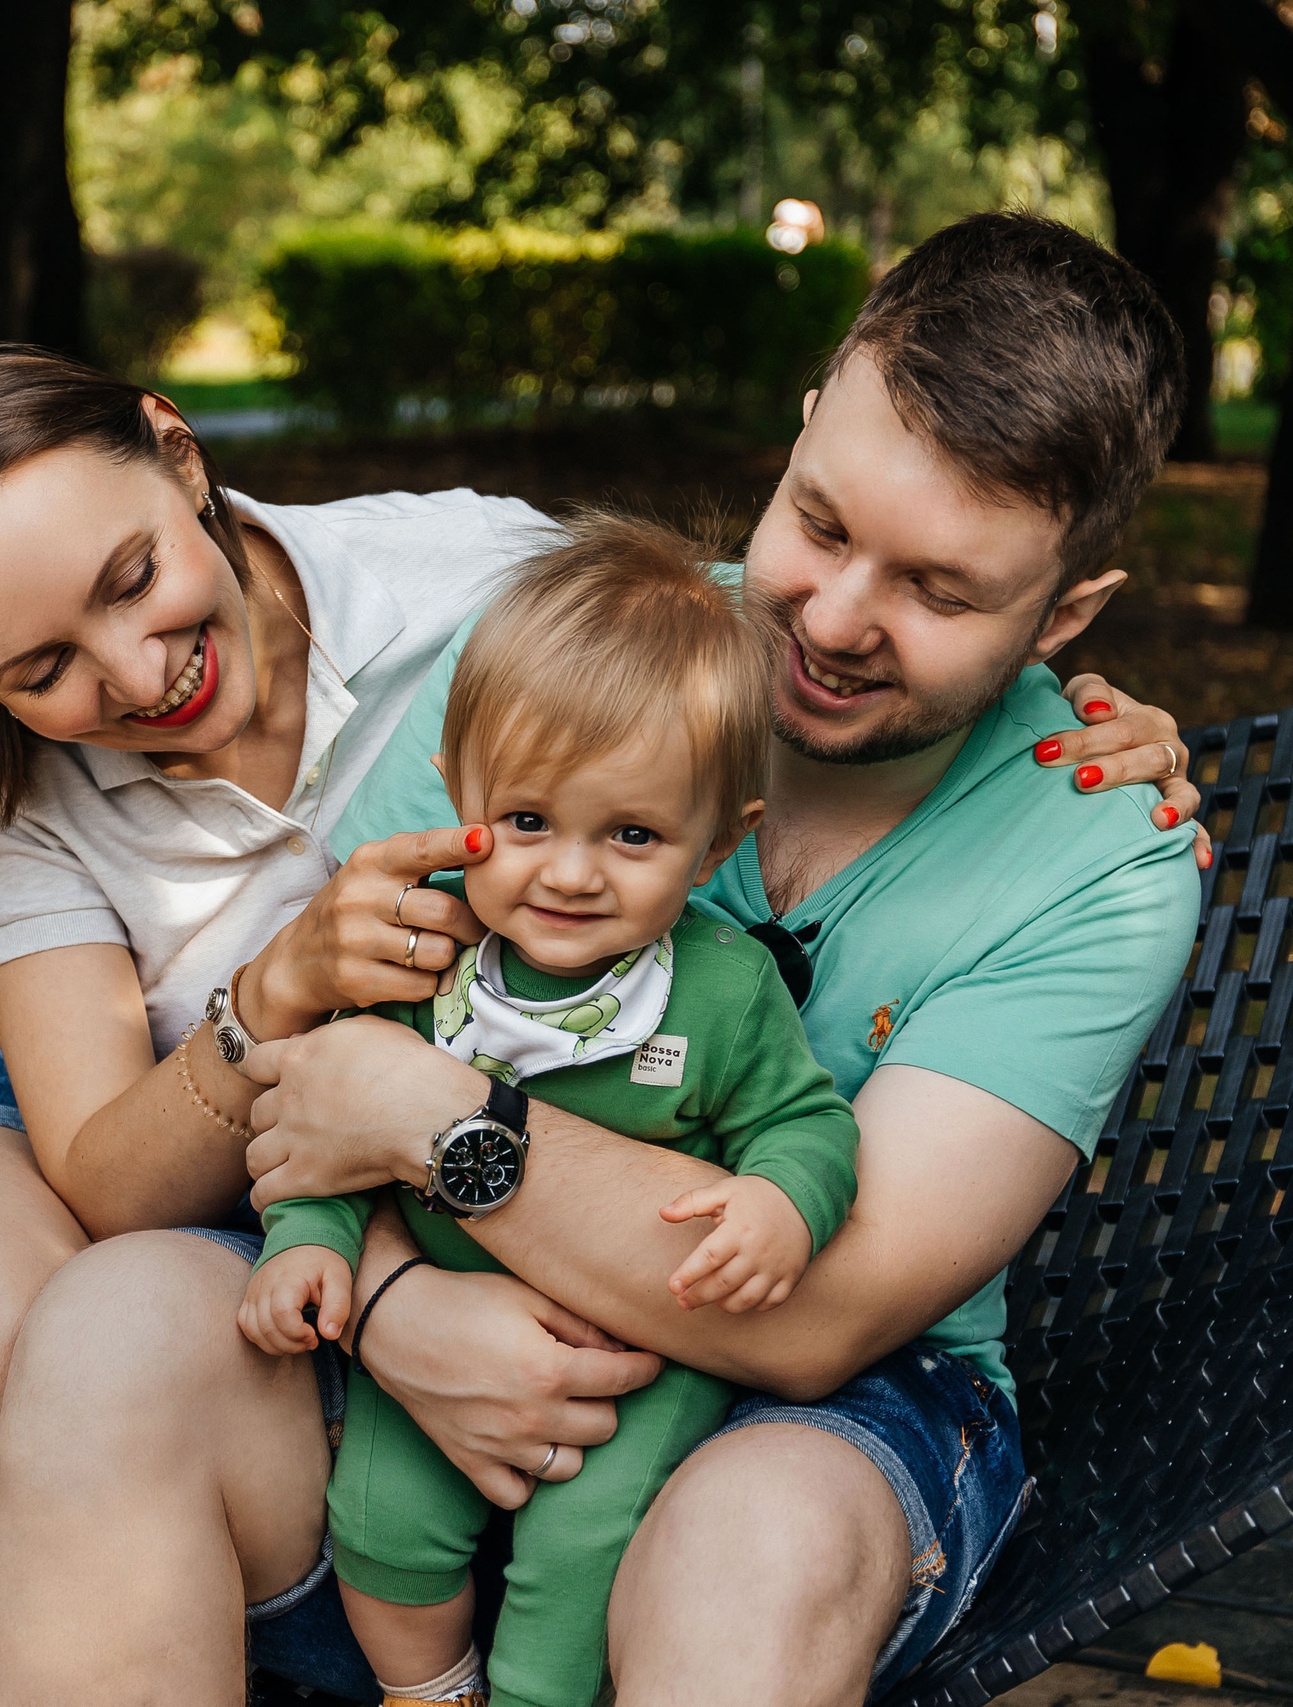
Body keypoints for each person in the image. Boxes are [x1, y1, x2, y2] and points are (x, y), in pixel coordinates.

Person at [0, 277, 1196, 1704]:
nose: (838, 617)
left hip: (825, 1404)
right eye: (822, 525)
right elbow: (293, 1094)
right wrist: (383, 1293)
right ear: (794, 444)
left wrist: (435, 1120)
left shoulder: (1099, 850)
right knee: (72, 1326)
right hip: (338, 1282)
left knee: (755, 1547)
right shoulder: (568, 644)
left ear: (1062, 615)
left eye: (941, 590)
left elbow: (816, 1316)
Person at [240, 518, 863, 1707]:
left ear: (715, 841)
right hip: (433, 1312)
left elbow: (806, 1123)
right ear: (462, 794)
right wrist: (306, 1249)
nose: (570, 873)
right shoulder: (423, 954)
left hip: (638, 1349)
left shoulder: (719, 989)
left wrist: (783, 1199)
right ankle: (430, 1694)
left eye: (630, 835)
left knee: (580, 1553)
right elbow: (331, 1130)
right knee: (382, 1521)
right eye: (527, 823)